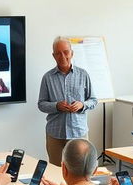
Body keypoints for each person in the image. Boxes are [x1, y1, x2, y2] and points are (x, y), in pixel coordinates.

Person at [38, 38, 98, 166]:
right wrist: (56, 106)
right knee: (56, 170)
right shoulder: (47, 77)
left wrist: (82, 105)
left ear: (72, 53)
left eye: (66, 52)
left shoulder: (83, 74)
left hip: (78, 132)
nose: (63, 56)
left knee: (81, 170)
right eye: (58, 53)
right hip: (55, 134)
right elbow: (41, 104)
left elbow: (93, 100)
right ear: (53, 56)